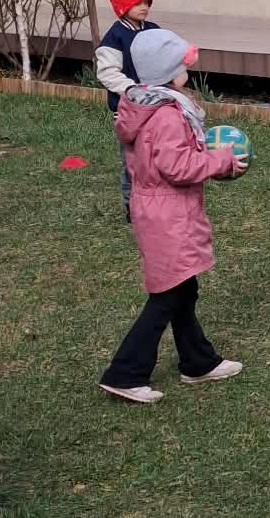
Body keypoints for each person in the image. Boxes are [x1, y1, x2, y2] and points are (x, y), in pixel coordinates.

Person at [100, 28, 248, 403]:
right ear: (167, 70)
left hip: (161, 210)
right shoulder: (166, 115)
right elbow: (177, 166)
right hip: (167, 214)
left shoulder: (148, 104)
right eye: (182, 64)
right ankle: (125, 373)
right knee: (167, 295)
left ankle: (198, 361)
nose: (187, 69)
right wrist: (222, 160)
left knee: (183, 288)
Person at [95, 0, 158, 219]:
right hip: (128, 111)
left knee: (155, 155)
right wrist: (133, 90)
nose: (144, 7)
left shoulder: (153, 30)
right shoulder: (115, 37)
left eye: (146, 2)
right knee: (132, 159)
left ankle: (155, 201)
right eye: (137, 3)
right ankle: (132, 204)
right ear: (123, 6)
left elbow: (166, 55)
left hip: (155, 107)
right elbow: (107, 73)